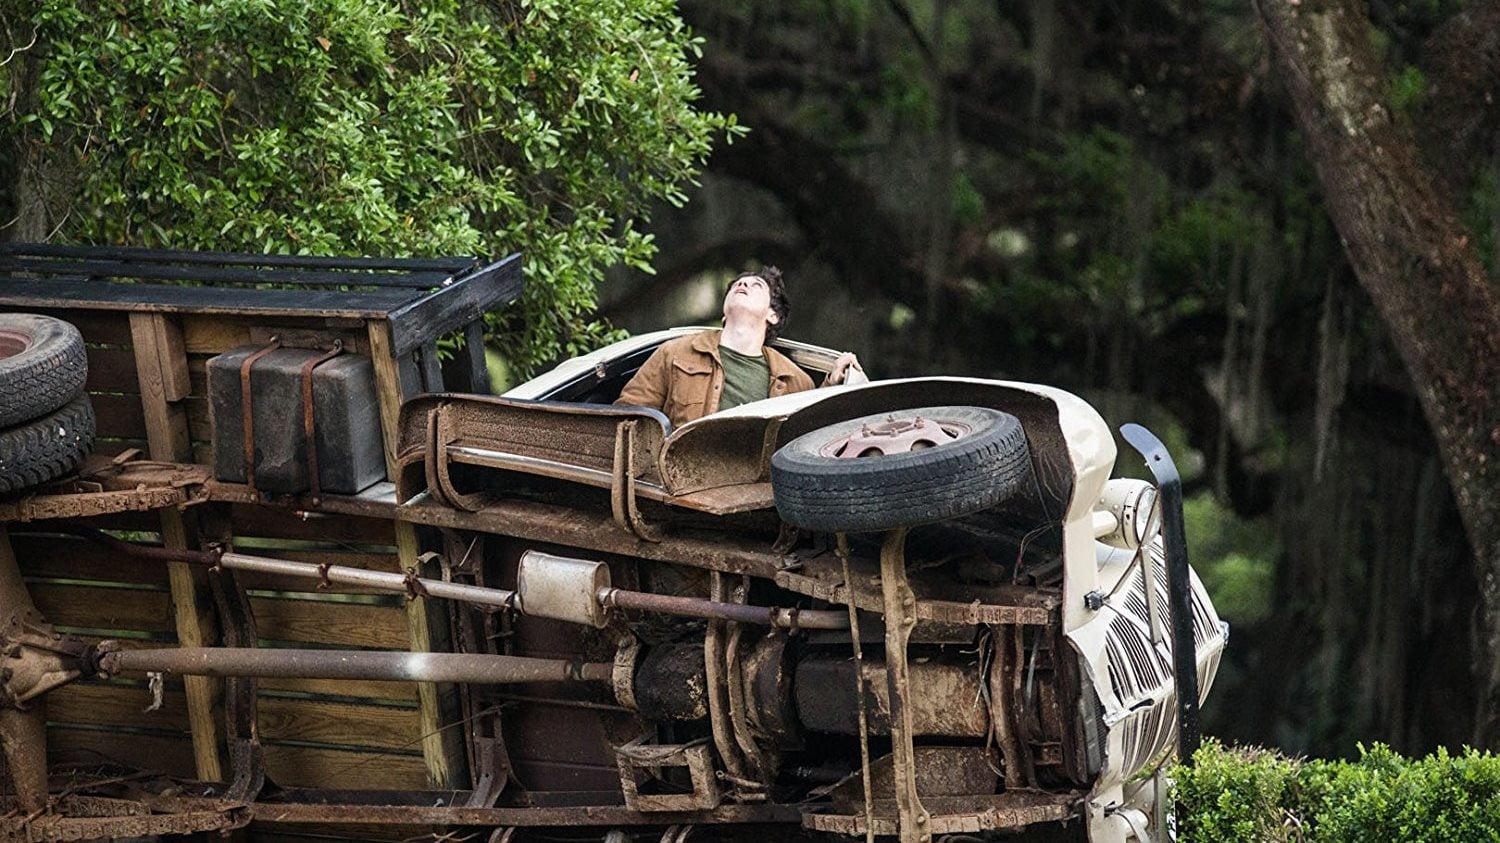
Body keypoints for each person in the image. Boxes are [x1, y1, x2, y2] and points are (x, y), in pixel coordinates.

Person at [616, 266, 861, 427]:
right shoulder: (675, 352)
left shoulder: (795, 380)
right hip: (681, 491)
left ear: (772, 315)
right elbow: (627, 419)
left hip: (752, 496)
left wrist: (833, 382)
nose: (742, 285)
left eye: (756, 286)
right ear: (724, 313)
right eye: (737, 285)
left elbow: (810, 437)